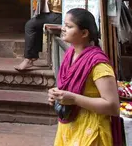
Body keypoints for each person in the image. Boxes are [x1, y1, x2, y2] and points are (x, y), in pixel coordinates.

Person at [49, 8, 121, 146]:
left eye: (69, 26)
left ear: (84, 33)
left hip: (91, 130)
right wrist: (57, 94)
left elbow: (113, 107)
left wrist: (74, 99)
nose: (63, 29)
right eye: (64, 25)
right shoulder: (70, 54)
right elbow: (72, 86)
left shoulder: (98, 64)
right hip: (69, 126)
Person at [16, 0, 62, 72]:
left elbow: (58, 1)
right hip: (55, 12)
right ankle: (32, 56)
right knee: (35, 22)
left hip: (59, 15)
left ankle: (28, 58)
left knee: (30, 25)